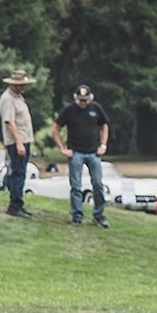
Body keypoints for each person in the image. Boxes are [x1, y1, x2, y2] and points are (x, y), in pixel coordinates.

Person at [52, 83, 110, 227]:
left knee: (97, 184)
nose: (83, 103)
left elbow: (104, 125)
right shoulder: (69, 110)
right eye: (80, 100)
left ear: (90, 98)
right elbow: (55, 129)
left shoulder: (96, 108)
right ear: (76, 98)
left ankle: (99, 215)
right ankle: (77, 216)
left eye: (85, 100)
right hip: (76, 152)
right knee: (76, 186)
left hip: (93, 152)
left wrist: (103, 144)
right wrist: (62, 149)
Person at [0, 69, 36, 218]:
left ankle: (18, 203)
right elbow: (10, 122)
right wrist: (19, 143)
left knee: (21, 172)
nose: (23, 87)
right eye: (21, 84)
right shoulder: (8, 99)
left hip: (24, 139)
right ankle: (14, 205)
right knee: (17, 172)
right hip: (16, 142)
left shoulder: (18, 97)